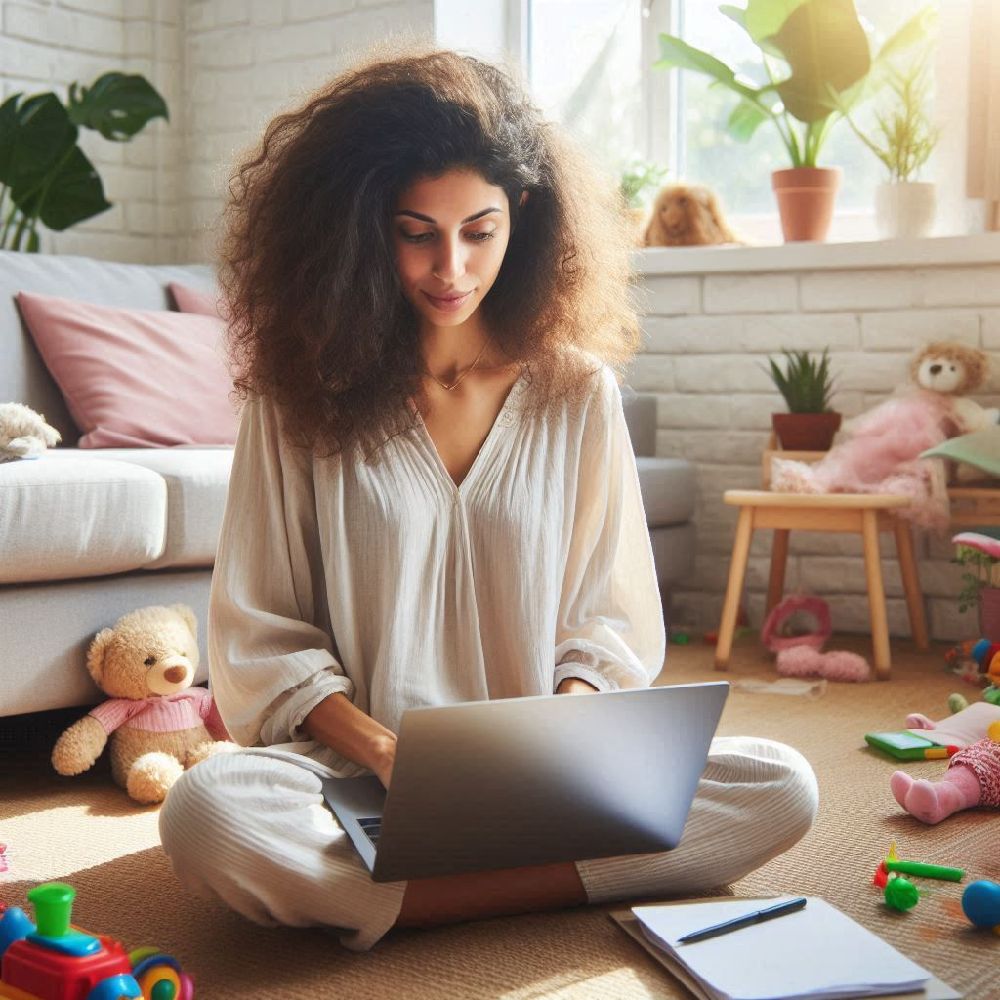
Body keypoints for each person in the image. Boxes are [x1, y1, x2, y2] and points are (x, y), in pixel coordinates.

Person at [159, 45, 818, 951]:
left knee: (782, 783)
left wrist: (561, 742)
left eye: (481, 229)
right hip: (358, 772)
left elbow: (606, 618)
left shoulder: (577, 391)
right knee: (208, 813)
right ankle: (553, 886)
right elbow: (265, 635)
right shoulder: (297, 401)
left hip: (546, 777)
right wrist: (392, 758)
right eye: (414, 230)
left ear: (528, 223)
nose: (451, 266)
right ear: (357, 230)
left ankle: (410, 900)